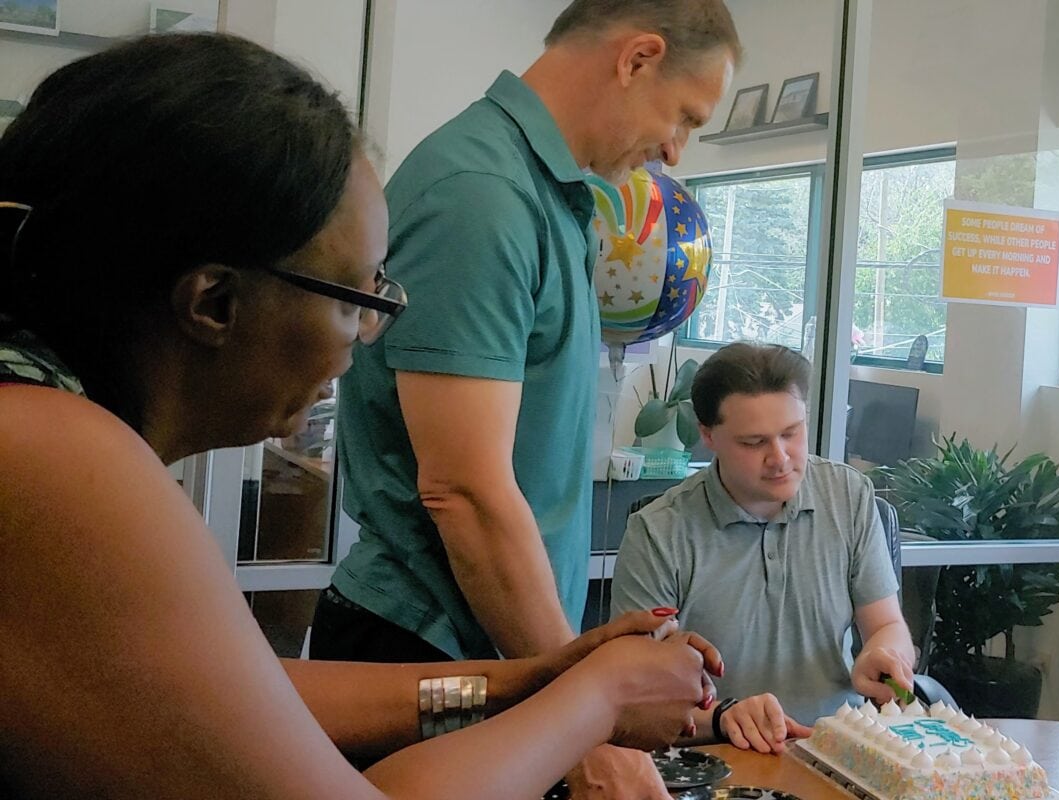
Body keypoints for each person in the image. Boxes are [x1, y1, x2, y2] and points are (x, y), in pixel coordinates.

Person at [0, 32, 724, 799]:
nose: (371, 334)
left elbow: (254, 696)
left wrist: (534, 678)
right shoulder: (54, 450)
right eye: (360, 299)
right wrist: (595, 700)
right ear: (213, 301)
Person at [312, 1, 741, 796]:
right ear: (637, 57)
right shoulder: (482, 194)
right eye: (685, 116)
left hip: (494, 655)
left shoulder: (551, 200)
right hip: (432, 655)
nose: (675, 151)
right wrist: (588, 722)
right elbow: (464, 491)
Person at [611, 342, 916, 755]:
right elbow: (633, 697)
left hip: (838, 748)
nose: (780, 458)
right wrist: (722, 716)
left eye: (792, 433)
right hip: (717, 755)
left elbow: (885, 625)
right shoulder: (659, 532)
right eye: (754, 443)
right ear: (707, 435)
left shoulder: (848, 495)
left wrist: (883, 654)